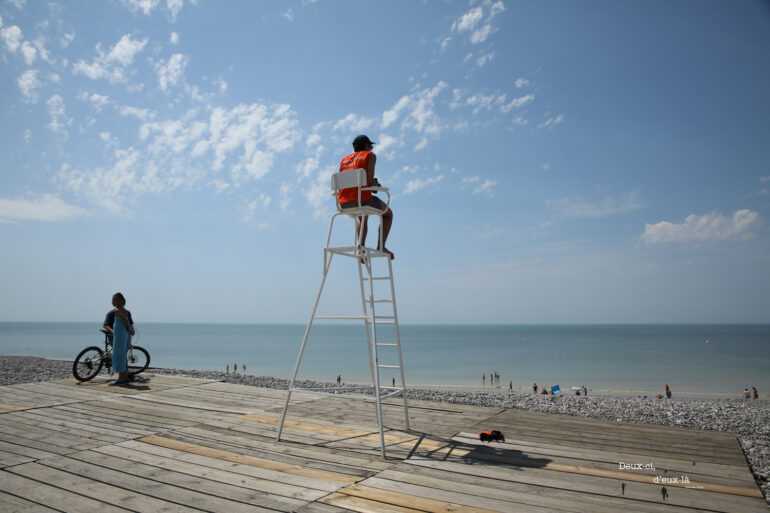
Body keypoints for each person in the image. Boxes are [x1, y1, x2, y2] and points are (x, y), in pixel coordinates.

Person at [338, 135, 394, 259]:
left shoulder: (344, 160)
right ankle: (381, 246)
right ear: (366, 146)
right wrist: (376, 185)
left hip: (343, 202)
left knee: (362, 217)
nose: (371, 148)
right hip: (362, 200)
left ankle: (360, 248)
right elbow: (369, 180)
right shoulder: (370, 155)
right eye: (370, 146)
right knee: (388, 214)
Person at [102, 292, 135, 386]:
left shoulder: (118, 311)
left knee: (119, 355)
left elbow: (126, 321)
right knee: (122, 355)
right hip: (119, 334)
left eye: (114, 300)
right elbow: (106, 325)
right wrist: (113, 331)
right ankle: (124, 375)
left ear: (119, 301)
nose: (112, 302)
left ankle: (122, 378)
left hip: (120, 335)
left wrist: (128, 328)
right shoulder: (112, 313)